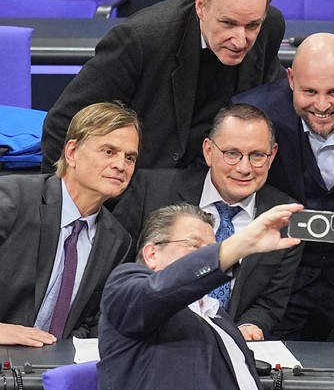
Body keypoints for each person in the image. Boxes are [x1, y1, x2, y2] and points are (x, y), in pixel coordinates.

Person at [98, 202, 314, 390]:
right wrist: (238, 246)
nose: (210, 255)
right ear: (152, 253)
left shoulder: (218, 316)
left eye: (212, 247)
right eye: (194, 245)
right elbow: (160, 290)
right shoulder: (126, 289)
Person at [41, 0, 286, 171]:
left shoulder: (270, 27)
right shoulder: (141, 39)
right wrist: (60, 209)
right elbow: (62, 123)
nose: (240, 40)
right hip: (145, 185)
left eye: (252, 25)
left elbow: (271, 107)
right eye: (228, 23)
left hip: (219, 179)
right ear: (201, 5)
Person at [232, 33, 334, 341]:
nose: (322, 106)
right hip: (280, 282)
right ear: (291, 79)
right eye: (310, 91)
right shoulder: (252, 116)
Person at [113, 103, 302, 340]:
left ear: (272, 155)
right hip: (150, 338)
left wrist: (251, 326)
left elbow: (270, 303)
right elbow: (114, 271)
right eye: (232, 154)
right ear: (208, 151)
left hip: (227, 351)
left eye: (257, 156)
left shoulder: (283, 217)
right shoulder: (152, 191)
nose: (244, 168)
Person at [0, 102, 140, 346]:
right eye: (109, 151)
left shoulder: (118, 240)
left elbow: (88, 321)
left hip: (55, 371)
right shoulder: (13, 199)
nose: (121, 165)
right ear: (72, 152)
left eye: (130, 157)